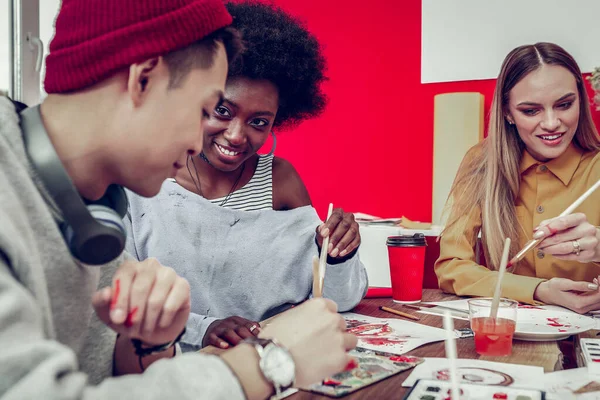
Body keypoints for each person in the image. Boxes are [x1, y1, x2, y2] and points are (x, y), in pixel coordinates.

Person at [0, 1, 357, 399]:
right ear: (144, 80)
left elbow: (101, 372)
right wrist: (267, 363)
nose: (196, 141)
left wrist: (151, 345)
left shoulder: (97, 207)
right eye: (206, 110)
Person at [125, 1, 368, 351]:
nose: (237, 136)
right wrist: (204, 329)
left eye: (258, 122)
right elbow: (121, 297)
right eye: (223, 110)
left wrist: (338, 254)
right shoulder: (145, 180)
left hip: (266, 366)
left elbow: (334, 299)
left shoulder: (279, 181)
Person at [435, 42, 600, 314]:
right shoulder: (482, 163)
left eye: (564, 104)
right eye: (531, 111)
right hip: (510, 335)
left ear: (580, 100)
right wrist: (537, 290)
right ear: (508, 113)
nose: (551, 123)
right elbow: (451, 266)